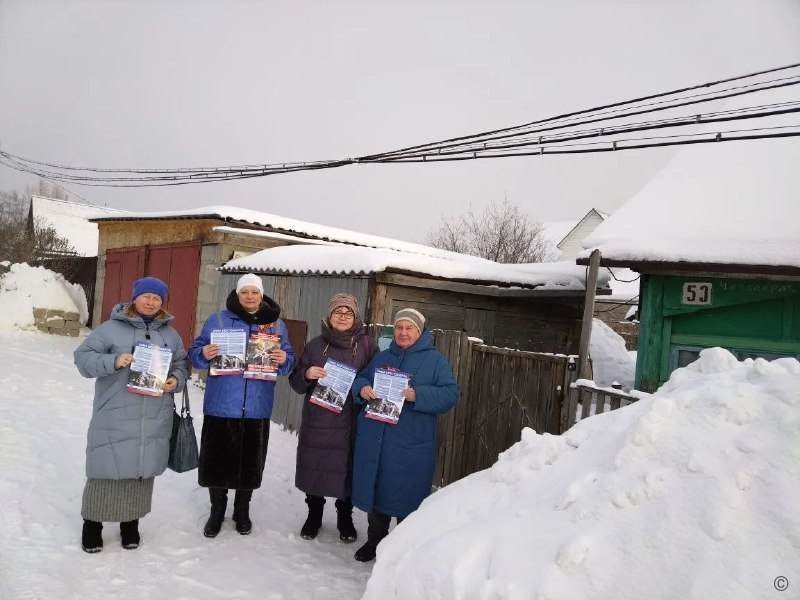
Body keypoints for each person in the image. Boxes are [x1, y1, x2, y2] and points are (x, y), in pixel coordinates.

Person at [73, 276, 189, 553]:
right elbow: (83, 358)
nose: (151, 302)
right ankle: (92, 525)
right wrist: (113, 360)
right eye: (146, 296)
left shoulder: (170, 334)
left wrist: (175, 379)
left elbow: (181, 363)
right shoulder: (111, 328)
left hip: (154, 413)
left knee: (141, 470)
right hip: (116, 411)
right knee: (105, 468)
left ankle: (130, 525)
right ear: (135, 298)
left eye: (157, 298)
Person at [189, 273, 295, 538]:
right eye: (244, 292)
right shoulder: (218, 320)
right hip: (222, 404)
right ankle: (217, 510)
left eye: (254, 292)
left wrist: (283, 359)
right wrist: (203, 353)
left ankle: (242, 510)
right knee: (217, 464)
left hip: (257, 406)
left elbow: (289, 361)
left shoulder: (276, 325)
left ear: (261, 295)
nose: (249, 296)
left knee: (250, 464)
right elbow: (196, 353)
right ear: (237, 295)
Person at [350, 308, 459, 562]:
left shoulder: (435, 360)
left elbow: (451, 393)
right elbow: (361, 378)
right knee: (377, 493)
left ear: (419, 331)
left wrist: (418, 394)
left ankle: (402, 551)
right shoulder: (382, 356)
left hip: (410, 443)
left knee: (406, 499)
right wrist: (363, 388)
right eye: (399, 327)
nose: (403, 332)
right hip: (377, 438)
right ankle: (375, 542)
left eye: (409, 328)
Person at [288, 293, 378, 543]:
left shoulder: (368, 346)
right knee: (315, 467)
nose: (343, 317)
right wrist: (307, 373)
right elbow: (295, 381)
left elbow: (376, 378)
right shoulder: (315, 345)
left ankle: (345, 517)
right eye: (338, 312)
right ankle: (314, 515)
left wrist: (365, 387)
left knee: (346, 471)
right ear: (329, 316)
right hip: (318, 419)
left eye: (348, 313)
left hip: (351, 420)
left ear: (356, 317)